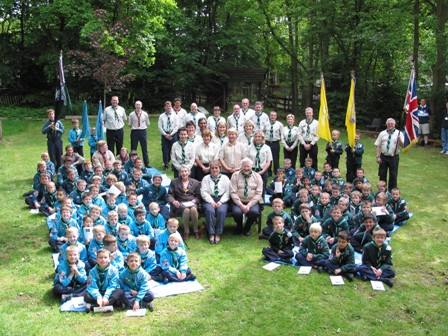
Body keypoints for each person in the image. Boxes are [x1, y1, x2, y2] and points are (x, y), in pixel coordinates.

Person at [167, 165, 202, 240]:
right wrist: (173, 201)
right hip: (180, 203)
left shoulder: (195, 182)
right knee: (186, 210)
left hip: (192, 202)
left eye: (186, 171)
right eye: (182, 171)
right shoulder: (174, 182)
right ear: (179, 173)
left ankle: (196, 230)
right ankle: (186, 231)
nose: (184, 173)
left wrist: (195, 200)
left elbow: (199, 195)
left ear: (189, 172)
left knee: (193, 209)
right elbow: (170, 194)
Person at [230, 158, 263, 236]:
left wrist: (249, 205)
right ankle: (239, 227)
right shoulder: (235, 175)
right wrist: (240, 205)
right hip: (238, 201)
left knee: (254, 212)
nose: (246, 168)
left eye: (248, 166)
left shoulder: (257, 176)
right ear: (241, 166)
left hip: (251, 202)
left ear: (252, 167)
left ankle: (247, 227)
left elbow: (258, 193)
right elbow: (233, 192)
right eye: (244, 166)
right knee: (237, 213)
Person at [200, 161, 230, 244]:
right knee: (210, 211)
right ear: (210, 169)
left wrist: (221, 201)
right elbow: (204, 192)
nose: (214, 169)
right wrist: (211, 201)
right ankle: (211, 233)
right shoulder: (206, 178)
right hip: (209, 199)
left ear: (220, 169)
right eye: (212, 168)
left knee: (221, 211)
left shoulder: (225, 178)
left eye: (216, 168)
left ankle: (218, 233)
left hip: (222, 199)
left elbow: (228, 192)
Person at [375, 118, 404, 191]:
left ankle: (392, 191)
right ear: (386, 124)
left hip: (394, 157)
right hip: (383, 157)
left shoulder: (399, 133)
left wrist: (399, 140)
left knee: (393, 175)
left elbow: (403, 145)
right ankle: (382, 190)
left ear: (395, 124)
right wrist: (378, 157)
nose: (390, 125)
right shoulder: (382, 133)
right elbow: (378, 145)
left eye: (392, 123)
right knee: (382, 174)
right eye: (389, 123)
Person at [246, 130, 272, 197]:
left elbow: (268, 161)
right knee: (252, 187)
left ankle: (261, 204)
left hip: (263, 170)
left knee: (262, 188)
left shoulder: (267, 148)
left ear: (262, 138)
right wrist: (250, 170)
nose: (257, 138)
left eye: (259, 137)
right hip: (252, 170)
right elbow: (247, 160)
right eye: (256, 137)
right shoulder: (249, 147)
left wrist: (262, 171)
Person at [128, 100, 150, 167]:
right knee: (133, 149)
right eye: (136, 105)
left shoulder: (145, 114)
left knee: (144, 148)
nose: (138, 106)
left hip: (142, 131)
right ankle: (132, 163)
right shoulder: (131, 114)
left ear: (141, 106)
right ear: (135, 106)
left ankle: (147, 163)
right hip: (134, 132)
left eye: (139, 105)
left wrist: (141, 127)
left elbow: (147, 123)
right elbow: (129, 124)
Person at [158, 101, 179, 171]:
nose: (168, 107)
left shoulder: (175, 115)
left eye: (169, 106)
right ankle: (166, 165)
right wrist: (165, 134)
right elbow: (159, 127)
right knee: (165, 150)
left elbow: (177, 126)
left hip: (173, 134)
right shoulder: (161, 116)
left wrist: (171, 134)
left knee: (174, 150)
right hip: (164, 134)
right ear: (165, 107)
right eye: (167, 106)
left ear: (171, 107)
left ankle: (174, 165)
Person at [263, 111, 283, 176]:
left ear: (276, 116)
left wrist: (280, 140)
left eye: (274, 115)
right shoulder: (266, 124)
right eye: (271, 115)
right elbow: (263, 132)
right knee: (268, 157)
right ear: (269, 116)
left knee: (276, 158)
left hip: (275, 143)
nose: (273, 117)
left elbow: (281, 134)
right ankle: (268, 172)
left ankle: (276, 172)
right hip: (267, 142)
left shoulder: (279, 124)